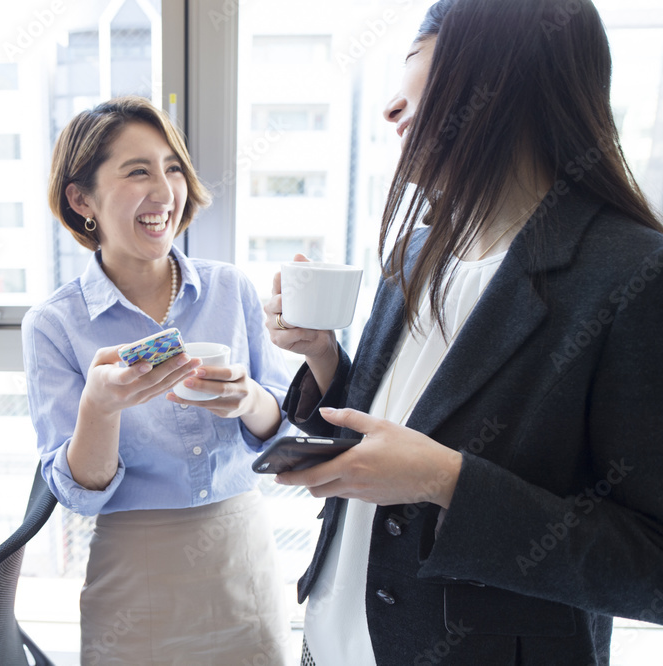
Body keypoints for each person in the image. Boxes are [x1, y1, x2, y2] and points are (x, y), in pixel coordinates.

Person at [264, 0, 663, 664]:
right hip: (332, 642)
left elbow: (652, 568)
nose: (391, 106)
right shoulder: (420, 249)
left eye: (416, 61)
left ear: (500, 74)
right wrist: (325, 357)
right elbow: (386, 428)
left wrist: (447, 481)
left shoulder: (633, 274)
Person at [24, 95, 294, 664]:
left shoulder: (230, 289)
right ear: (81, 199)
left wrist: (248, 399)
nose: (165, 191)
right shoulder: (54, 325)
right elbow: (77, 493)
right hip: (134, 580)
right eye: (138, 171)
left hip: (241, 563)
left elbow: (280, 430)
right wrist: (99, 410)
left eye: (173, 168)